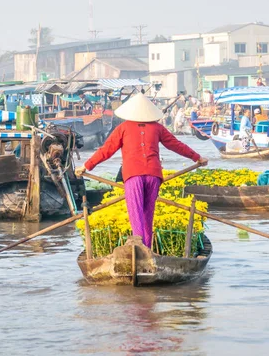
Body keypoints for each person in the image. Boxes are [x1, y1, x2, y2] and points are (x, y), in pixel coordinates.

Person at [74, 93, 208, 248]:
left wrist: (86, 166)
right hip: (154, 176)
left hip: (133, 175)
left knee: (136, 215)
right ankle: (147, 249)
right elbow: (176, 145)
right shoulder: (157, 128)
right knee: (147, 215)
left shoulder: (123, 128)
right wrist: (197, 158)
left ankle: (140, 250)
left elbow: (106, 150)